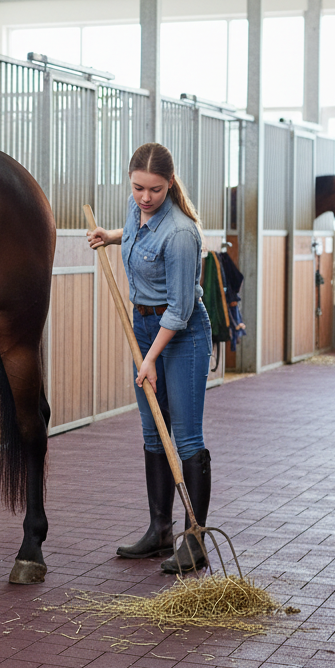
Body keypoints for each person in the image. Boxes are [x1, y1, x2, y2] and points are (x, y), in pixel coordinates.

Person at [87, 142, 212, 573]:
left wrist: (148, 360)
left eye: (155, 191)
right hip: (144, 328)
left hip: (181, 336)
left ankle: (195, 541)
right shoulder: (134, 207)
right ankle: (160, 531)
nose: (145, 198)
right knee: (152, 433)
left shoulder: (181, 234)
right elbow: (140, 235)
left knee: (187, 436)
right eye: (138, 187)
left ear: (170, 184)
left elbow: (179, 312)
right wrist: (112, 235)